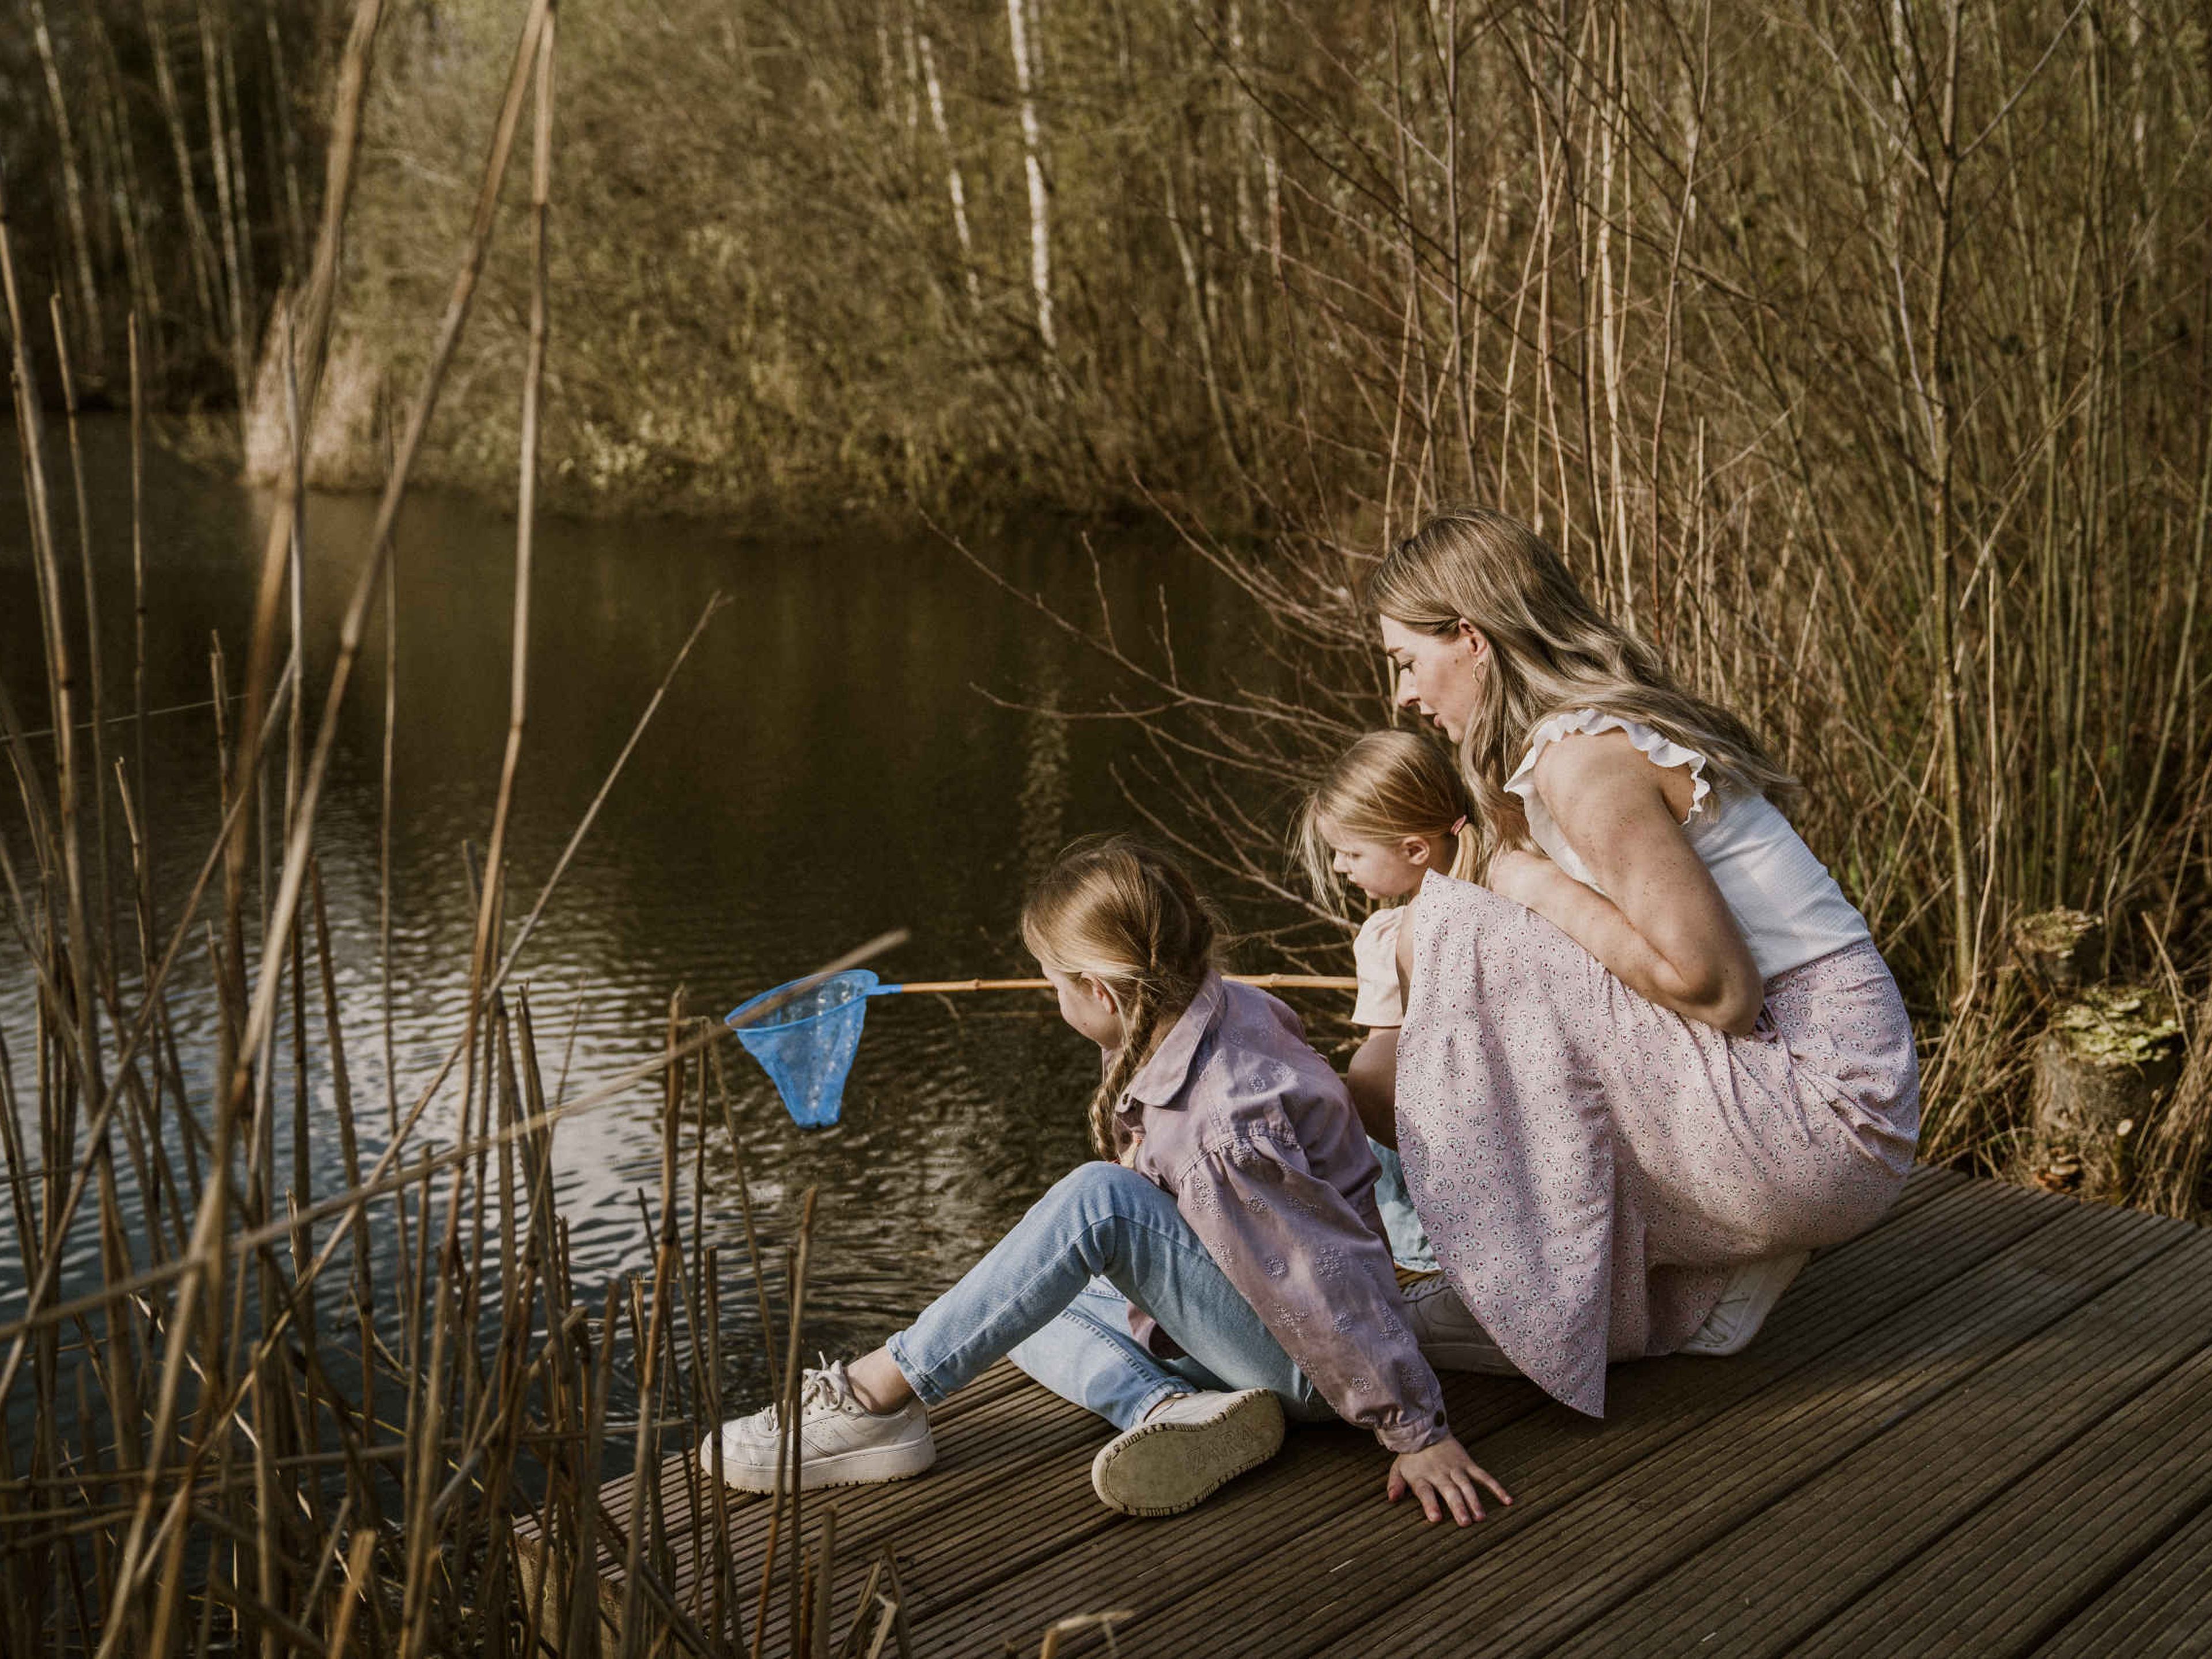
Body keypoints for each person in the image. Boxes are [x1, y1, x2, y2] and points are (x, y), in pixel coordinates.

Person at [699, 836, 1510, 1524]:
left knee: (1094, 1202)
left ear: (1100, 991)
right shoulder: (1226, 1003)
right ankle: (1168, 1411)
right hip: (1255, 1302)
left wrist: (1414, 1425)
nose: (1055, 997)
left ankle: (875, 1396)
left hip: (1310, 1359)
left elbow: (1322, 1270)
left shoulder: (1219, 1123)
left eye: (1058, 982)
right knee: (1011, 1297)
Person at [1363, 506, 1921, 1417]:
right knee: (1478, 924)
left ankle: (1526, 1292)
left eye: (1405, 662)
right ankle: (1717, 1263)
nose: (1404, 697)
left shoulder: (1583, 761)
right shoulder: (1584, 742)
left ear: (1470, 639)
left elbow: (1719, 990)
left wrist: (1523, 882)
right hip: (1835, 1097)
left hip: (1823, 1109)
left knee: (1442, 930)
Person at [1291, 729, 1476, 1275]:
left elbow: (1384, 1057)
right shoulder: (1507, 890)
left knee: (1362, 1099)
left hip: (1441, 1135)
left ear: (1414, 849)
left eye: (1351, 852)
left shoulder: (1387, 934)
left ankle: (1417, 1252)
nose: (1339, 868)